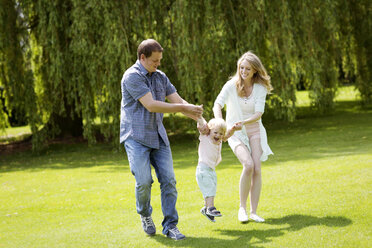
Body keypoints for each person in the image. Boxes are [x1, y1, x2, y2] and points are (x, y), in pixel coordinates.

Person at [120, 39, 203, 240]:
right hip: (136, 137)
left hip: (157, 135)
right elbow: (151, 105)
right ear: (142, 58)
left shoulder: (160, 76)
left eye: (159, 60)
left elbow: (178, 101)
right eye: (154, 61)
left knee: (169, 180)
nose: (158, 64)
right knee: (144, 181)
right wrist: (184, 109)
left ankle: (170, 226)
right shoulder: (132, 76)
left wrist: (200, 120)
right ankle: (145, 214)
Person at [213, 51, 273, 223]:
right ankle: (242, 209)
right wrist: (220, 122)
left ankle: (254, 212)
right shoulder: (231, 85)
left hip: (255, 131)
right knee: (248, 165)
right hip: (235, 132)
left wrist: (243, 122)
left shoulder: (260, 88)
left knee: (257, 169)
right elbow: (218, 103)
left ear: (255, 70)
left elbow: (258, 113)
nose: (243, 71)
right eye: (241, 68)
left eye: (248, 69)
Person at [195, 118, 238, 222]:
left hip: (211, 169)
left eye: (220, 134)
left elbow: (227, 136)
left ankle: (206, 208)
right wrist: (199, 117)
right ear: (209, 131)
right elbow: (201, 126)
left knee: (211, 189)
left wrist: (234, 129)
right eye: (215, 133)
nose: (218, 135)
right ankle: (210, 208)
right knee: (209, 188)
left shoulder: (219, 140)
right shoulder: (205, 137)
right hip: (203, 168)